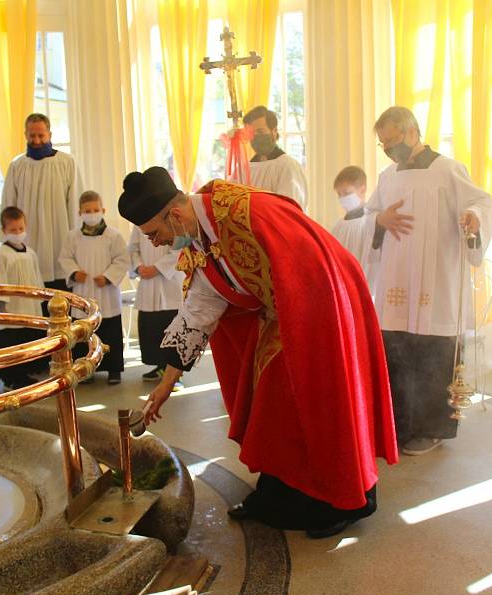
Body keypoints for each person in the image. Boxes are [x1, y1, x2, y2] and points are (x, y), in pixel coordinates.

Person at [118, 166, 397, 539]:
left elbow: (310, 267)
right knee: (270, 402)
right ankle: (278, 496)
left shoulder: (244, 212)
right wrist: (165, 385)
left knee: (321, 402)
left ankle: (343, 500)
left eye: (155, 233)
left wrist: (306, 332)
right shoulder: (196, 239)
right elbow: (199, 311)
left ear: (175, 215)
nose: (155, 243)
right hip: (282, 313)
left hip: (322, 305)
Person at [364, 106, 492, 456]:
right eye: (383, 144)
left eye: (392, 141)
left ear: (411, 132)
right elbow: (366, 216)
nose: (389, 149)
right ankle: (397, 426)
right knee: (397, 352)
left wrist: (474, 217)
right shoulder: (388, 176)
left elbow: (482, 202)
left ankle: (431, 429)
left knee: (432, 356)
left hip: (436, 284)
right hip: (396, 282)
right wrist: (380, 219)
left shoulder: (447, 170)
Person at [1, 113, 81, 291]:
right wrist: (9, 238)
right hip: (29, 239)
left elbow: (75, 202)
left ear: (49, 135)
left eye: (41, 135)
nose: (36, 140)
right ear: (25, 135)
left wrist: (76, 239)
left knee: (61, 298)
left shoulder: (66, 162)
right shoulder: (18, 165)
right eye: (32, 136)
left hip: (59, 238)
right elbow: (9, 204)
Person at [59, 191, 130, 384]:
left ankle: (113, 369)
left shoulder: (113, 235)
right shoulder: (72, 236)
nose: (92, 213)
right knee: (84, 332)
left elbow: (123, 259)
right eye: (87, 211)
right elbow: (65, 258)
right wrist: (74, 272)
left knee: (110, 332)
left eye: (95, 210)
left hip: (106, 292)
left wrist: (108, 276)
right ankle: (85, 369)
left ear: (103, 210)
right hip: (83, 291)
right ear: (80, 212)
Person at [0, 207, 48, 390]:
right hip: (11, 310)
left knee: (28, 340)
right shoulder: (1, 256)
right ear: (4, 230)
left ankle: (27, 373)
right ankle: (12, 378)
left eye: (21, 229)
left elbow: (37, 278)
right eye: (13, 230)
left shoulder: (30, 252)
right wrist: (1, 306)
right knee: (12, 343)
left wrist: (41, 298)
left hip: (30, 308)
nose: (18, 233)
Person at [128, 225, 185, 382]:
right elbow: (132, 248)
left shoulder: (174, 220)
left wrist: (158, 268)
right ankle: (161, 367)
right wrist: (139, 266)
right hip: (147, 282)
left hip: (170, 281)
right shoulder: (138, 222)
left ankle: (174, 373)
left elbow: (181, 249)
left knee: (171, 327)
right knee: (151, 328)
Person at [235, 105, 308, 211]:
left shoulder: (288, 166)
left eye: (260, 131)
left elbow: (289, 209)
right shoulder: (244, 169)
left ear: (274, 131)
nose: (255, 137)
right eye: (252, 133)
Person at [330, 165, 379, 287]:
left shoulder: (372, 222)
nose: (342, 198)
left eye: (347, 193)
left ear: (362, 190)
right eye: (339, 194)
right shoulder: (338, 226)